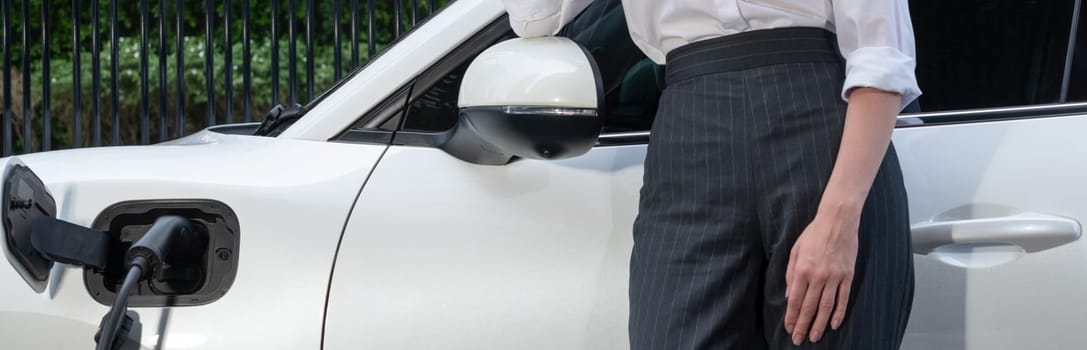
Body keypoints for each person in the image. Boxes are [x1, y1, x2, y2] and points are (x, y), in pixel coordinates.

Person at [502, 0, 920, 349]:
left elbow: (881, 54)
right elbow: (535, 18)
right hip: (690, 130)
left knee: (821, 322)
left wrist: (837, 224)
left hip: (826, 136)